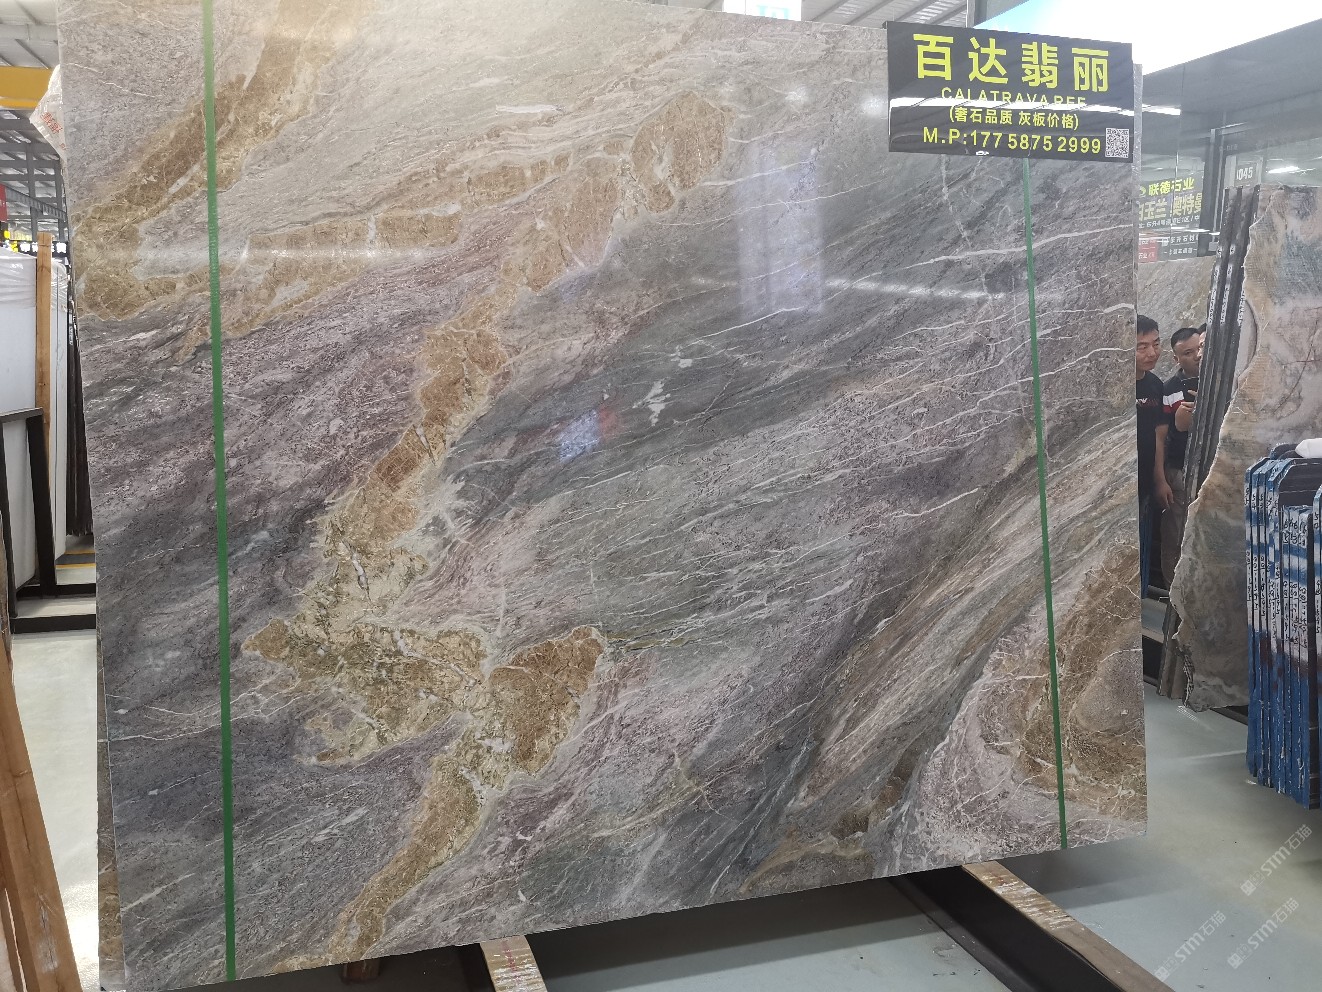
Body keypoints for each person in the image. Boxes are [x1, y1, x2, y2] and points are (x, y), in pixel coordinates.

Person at [1156, 326, 1204, 583]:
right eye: (1187, 352)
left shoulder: (1224, 379)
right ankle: (1172, 594)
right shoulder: (1169, 389)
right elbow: (1162, 436)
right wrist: (1161, 477)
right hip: (1179, 470)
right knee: (1176, 535)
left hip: (1213, 467)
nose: (1197, 356)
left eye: (1200, 348)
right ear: (1176, 358)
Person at [1135, 315, 1165, 598]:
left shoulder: (1155, 385)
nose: (1152, 353)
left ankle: (1140, 600)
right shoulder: (1114, 389)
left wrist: (1160, 480)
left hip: (1144, 486)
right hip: (1118, 491)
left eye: (1155, 344)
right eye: (1141, 347)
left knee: (1141, 549)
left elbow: (1158, 435)